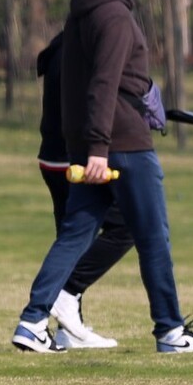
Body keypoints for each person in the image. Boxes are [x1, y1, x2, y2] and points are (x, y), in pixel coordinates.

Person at [12, 0, 193, 354]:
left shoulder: (82, 11)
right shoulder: (115, 15)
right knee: (152, 236)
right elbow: (104, 84)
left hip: (92, 143)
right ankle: (170, 332)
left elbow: (79, 83)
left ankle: (32, 321)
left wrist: (84, 144)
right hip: (124, 144)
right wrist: (96, 148)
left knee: (76, 233)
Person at [36, 31, 132, 349]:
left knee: (73, 241)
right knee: (127, 224)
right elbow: (89, 104)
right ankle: (65, 294)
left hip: (54, 157)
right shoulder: (78, 50)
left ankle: (66, 328)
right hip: (73, 160)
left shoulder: (64, 45)